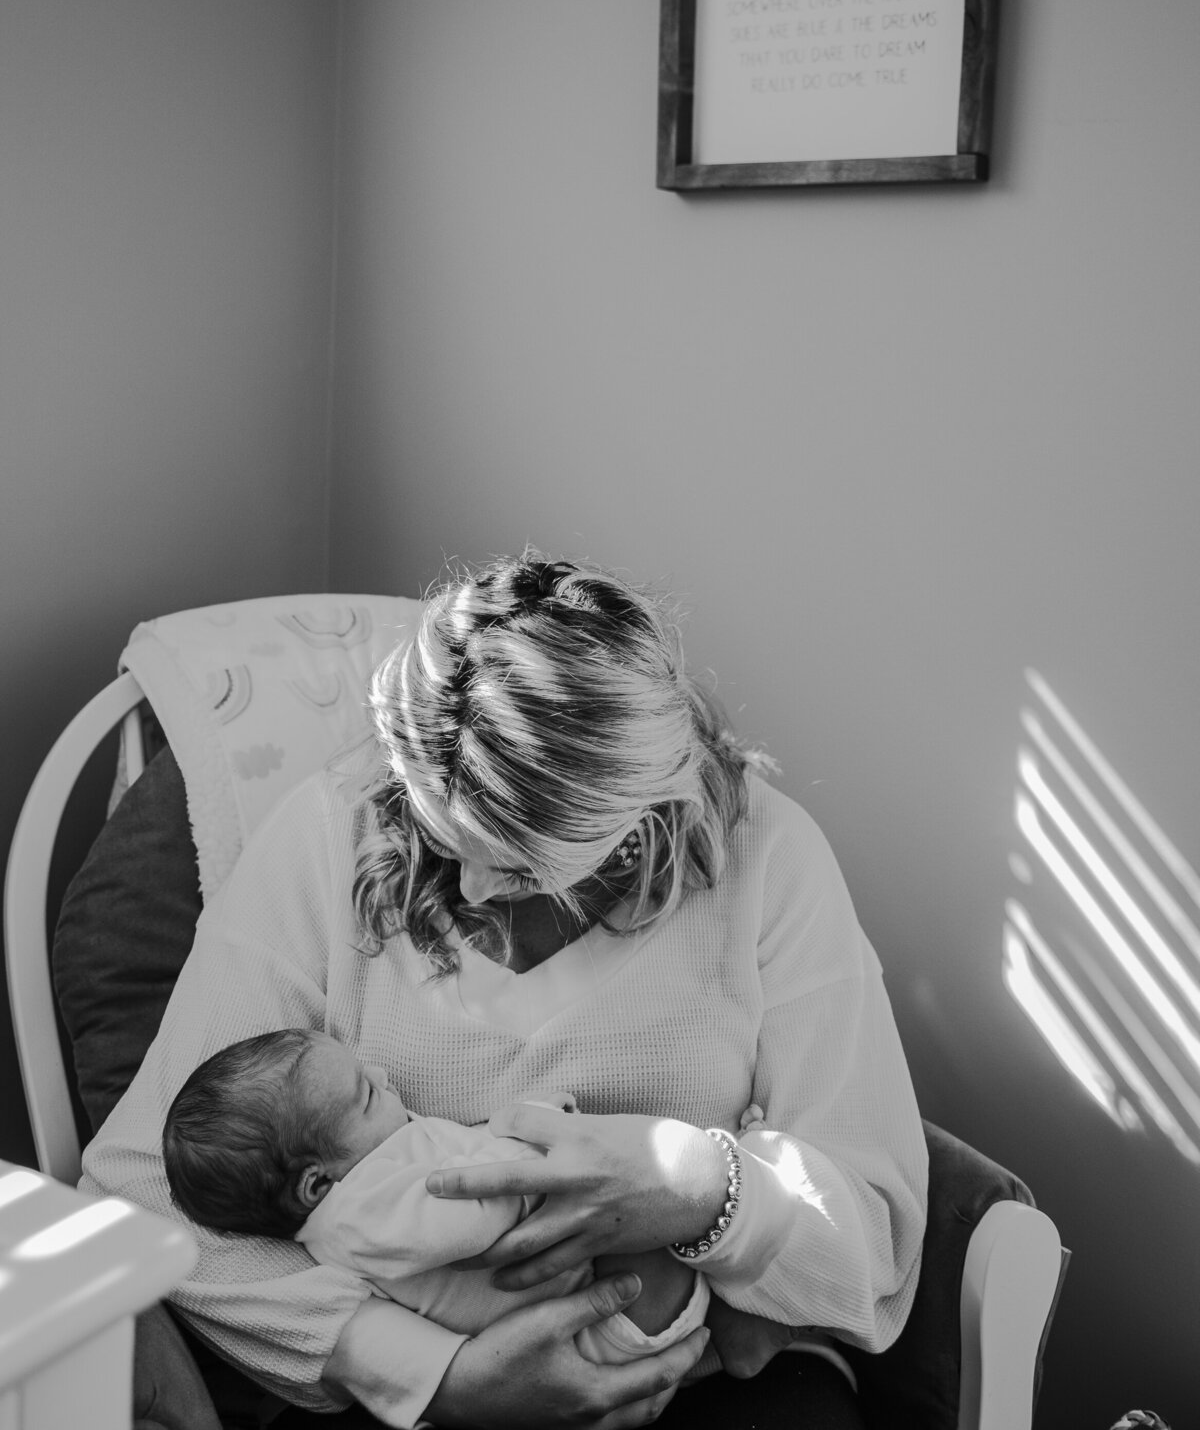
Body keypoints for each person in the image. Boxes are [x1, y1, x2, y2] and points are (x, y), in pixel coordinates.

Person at [81, 550, 928, 1429]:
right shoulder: (335, 830)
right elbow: (136, 1186)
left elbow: (872, 1239)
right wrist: (435, 1375)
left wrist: (702, 1192)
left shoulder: (770, 863)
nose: (476, 894)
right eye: (441, 837)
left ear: (635, 830)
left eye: (519, 869)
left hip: (701, 1383)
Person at [162, 1027, 708, 1361]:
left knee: (651, 1183)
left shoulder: (369, 1176)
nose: (382, 1075)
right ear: (317, 1182)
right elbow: (470, 1221)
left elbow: (458, 1156)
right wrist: (533, 1155)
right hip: (588, 1336)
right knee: (656, 1196)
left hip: (581, 1296)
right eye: (367, 1093)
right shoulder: (359, 1219)